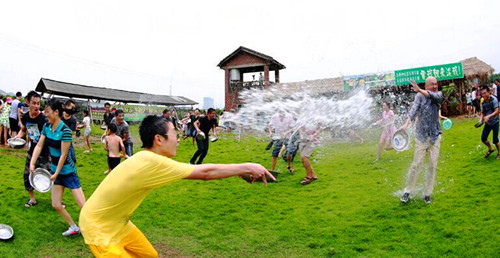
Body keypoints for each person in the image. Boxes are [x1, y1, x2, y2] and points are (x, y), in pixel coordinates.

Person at [79, 115, 274, 257]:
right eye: (174, 134)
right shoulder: (151, 162)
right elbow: (204, 173)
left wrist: (239, 171)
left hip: (119, 223)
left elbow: (205, 171)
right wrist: (247, 166)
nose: (179, 139)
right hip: (100, 228)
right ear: (159, 139)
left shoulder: (147, 158)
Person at [29, 98, 86, 236]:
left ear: (56, 112)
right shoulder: (46, 127)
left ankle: (97, 229)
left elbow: (64, 155)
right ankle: (74, 227)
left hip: (68, 171)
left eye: (47, 111)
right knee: (55, 204)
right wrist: (32, 162)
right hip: (55, 170)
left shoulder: (65, 130)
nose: (45, 114)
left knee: (84, 207)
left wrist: (56, 173)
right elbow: (39, 145)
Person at [400, 77, 443, 204]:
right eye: (432, 84)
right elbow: (413, 111)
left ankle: (427, 193)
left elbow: (434, 97)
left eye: (436, 84)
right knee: (416, 164)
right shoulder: (419, 96)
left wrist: (419, 89)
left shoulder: (439, 95)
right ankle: (408, 191)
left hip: (435, 136)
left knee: (432, 165)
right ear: (427, 85)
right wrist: (406, 124)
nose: (435, 86)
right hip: (421, 136)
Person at [13, 91, 50, 207]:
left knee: (51, 176)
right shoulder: (26, 117)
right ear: (27, 102)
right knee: (27, 174)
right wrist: (17, 137)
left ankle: (58, 200)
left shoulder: (44, 119)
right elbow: (23, 130)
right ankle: (32, 199)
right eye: (34, 103)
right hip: (32, 150)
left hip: (45, 153)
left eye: (38, 104)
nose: (37, 106)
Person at [478, 85, 499, 159]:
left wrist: (489, 116)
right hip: (488, 123)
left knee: (495, 140)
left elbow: (497, 111)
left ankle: (499, 153)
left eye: (485, 93)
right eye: (482, 94)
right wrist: (481, 120)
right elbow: (483, 112)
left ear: (489, 92)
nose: (483, 95)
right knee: (483, 138)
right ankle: (491, 148)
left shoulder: (494, 99)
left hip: (495, 122)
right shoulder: (483, 102)